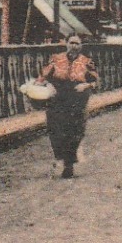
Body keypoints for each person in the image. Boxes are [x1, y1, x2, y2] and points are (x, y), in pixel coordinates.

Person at [37, 34, 98, 179]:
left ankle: (68, 164)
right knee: (56, 129)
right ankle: (62, 158)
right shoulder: (56, 59)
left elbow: (96, 81)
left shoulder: (86, 62)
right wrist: (48, 84)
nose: (74, 46)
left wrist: (86, 85)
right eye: (71, 43)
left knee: (75, 131)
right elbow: (43, 77)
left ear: (81, 46)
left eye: (77, 43)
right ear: (66, 43)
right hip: (57, 98)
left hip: (77, 99)